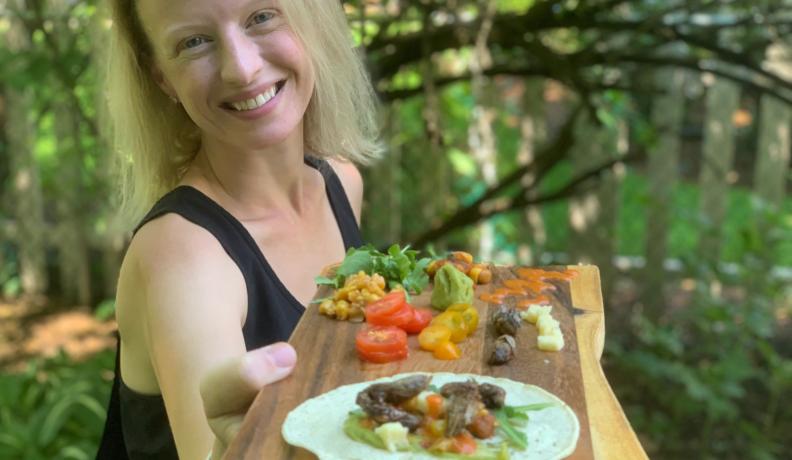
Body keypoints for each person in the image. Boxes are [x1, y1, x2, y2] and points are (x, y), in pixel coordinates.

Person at [96, 0, 381, 458]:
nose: (242, 70)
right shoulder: (183, 257)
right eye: (193, 42)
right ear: (162, 77)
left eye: (261, 17)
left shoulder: (340, 183)